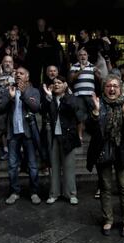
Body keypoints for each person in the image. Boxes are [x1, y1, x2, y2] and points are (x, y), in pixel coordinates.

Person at [87, 74, 124, 237]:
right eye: (109, 86)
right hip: (103, 150)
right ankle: (108, 219)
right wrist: (95, 113)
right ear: (104, 88)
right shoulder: (98, 103)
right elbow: (89, 129)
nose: (112, 89)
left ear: (120, 87)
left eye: (115, 85)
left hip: (121, 150)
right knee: (105, 187)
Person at [0, 67, 42, 205]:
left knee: (33, 165)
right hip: (13, 133)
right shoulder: (8, 89)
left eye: (21, 73)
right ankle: (14, 192)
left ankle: (34, 192)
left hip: (28, 133)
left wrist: (23, 94)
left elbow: (36, 108)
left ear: (27, 77)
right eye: (16, 74)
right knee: (12, 165)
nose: (18, 75)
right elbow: (0, 108)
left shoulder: (33, 91)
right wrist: (10, 98)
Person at [42, 75, 81, 205]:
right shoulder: (50, 99)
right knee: (54, 166)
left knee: (69, 167)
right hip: (54, 137)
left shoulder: (71, 98)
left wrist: (63, 96)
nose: (56, 84)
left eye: (59, 82)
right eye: (54, 83)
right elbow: (43, 111)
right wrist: (48, 97)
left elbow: (72, 109)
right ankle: (54, 193)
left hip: (68, 138)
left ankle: (71, 194)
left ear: (65, 85)